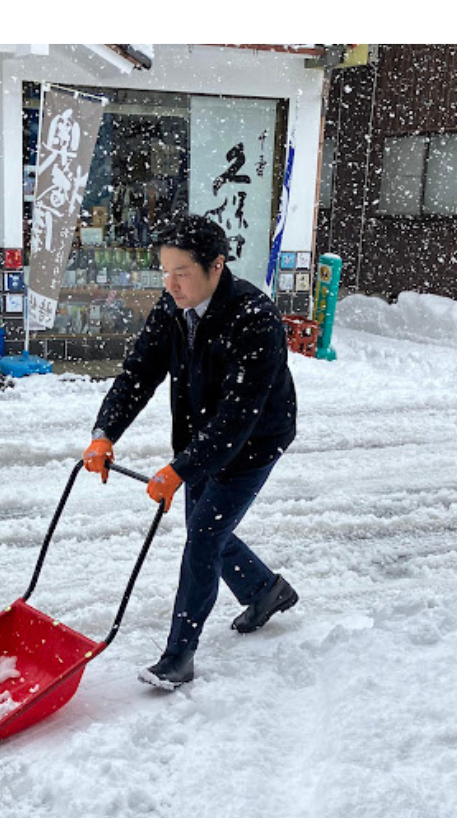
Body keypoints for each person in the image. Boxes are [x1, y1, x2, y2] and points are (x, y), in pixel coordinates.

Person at [83, 214, 299, 690]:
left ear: (216, 266)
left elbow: (239, 416)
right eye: (164, 271)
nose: (171, 283)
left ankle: (178, 656)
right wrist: (105, 432)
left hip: (252, 444)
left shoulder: (255, 319)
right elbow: (140, 372)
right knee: (207, 528)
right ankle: (266, 591)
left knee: (203, 536)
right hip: (201, 438)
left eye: (181, 272)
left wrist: (181, 468)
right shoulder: (172, 308)